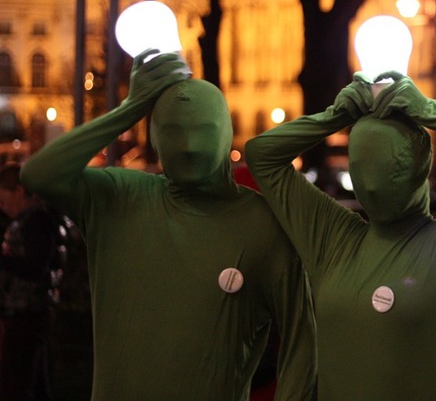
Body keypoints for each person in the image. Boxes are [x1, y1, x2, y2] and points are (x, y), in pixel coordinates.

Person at [20, 50, 316, 401]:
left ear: (225, 134)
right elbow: (39, 174)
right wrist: (130, 109)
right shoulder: (119, 197)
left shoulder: (263, 224)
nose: (189, 146)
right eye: (173, 132)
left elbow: (303, 341)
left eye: (204, 131)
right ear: (156, 138)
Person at [245, 72, 436, 400]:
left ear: (419, 168)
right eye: (360, 166)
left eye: (391, 164)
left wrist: (428, 111)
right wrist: (335, 116)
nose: (371, 183)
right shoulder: (333, 239)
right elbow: (262, 155)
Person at [0, 163, 65, 400]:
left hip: (26, 312)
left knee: (16, 383)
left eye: (3, 198)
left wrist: (4, 260)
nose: (2, 205)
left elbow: (35, 267)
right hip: (27, 311)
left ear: (19, 191)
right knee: (32, 380)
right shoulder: (33, 219)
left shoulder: (37, 220)